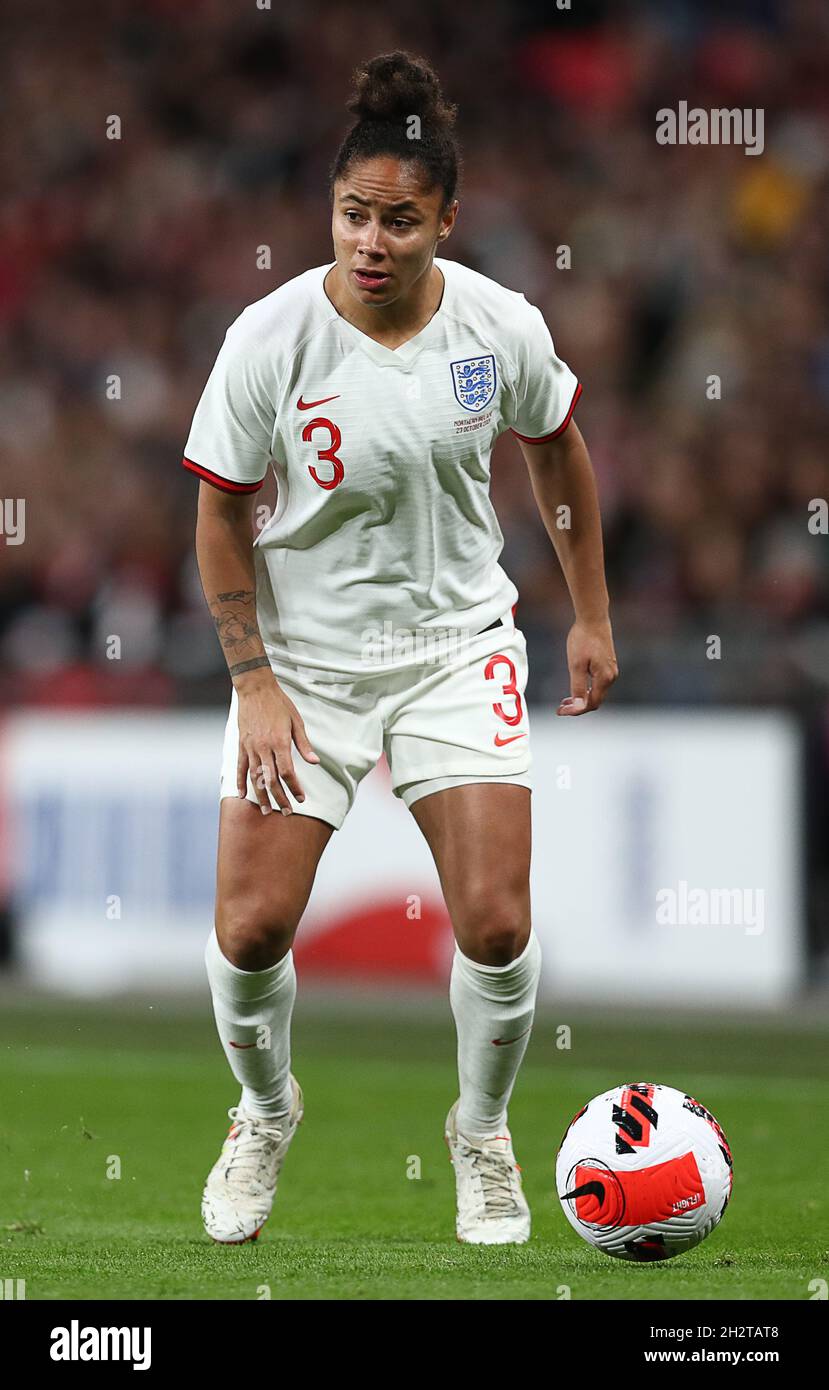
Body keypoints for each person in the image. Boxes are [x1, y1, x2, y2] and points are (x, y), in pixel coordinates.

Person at [182, 50, 618, 1246]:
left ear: (447, 222)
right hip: (306, 666)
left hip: (453, 646)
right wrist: (254, 682)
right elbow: (219, 508)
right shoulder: (270, 338)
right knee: (250, 930)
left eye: (400, 221)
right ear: (330, 211)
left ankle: (481, 1133)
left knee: (493, 922)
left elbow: (557, 444)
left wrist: (588, 612)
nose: (371, 242)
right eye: (353, 216)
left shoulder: (499, 325)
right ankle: (263, 1110)